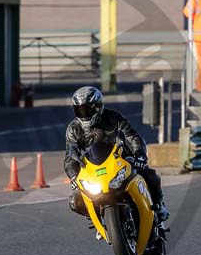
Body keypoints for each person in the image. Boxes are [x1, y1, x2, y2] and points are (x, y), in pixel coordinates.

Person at [64, 86, 169, 227]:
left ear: (98, 107)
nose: (84, 114)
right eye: (79, 110)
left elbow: (132, 137)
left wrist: (139, 156)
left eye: (87, 109)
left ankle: (159, 205)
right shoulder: (73, 129)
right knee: (75, 200)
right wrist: (73, 176)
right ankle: (96, 218)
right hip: (95, 168)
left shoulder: (113, 118)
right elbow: (70, 156)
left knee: (150, 175)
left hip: (122, 159)